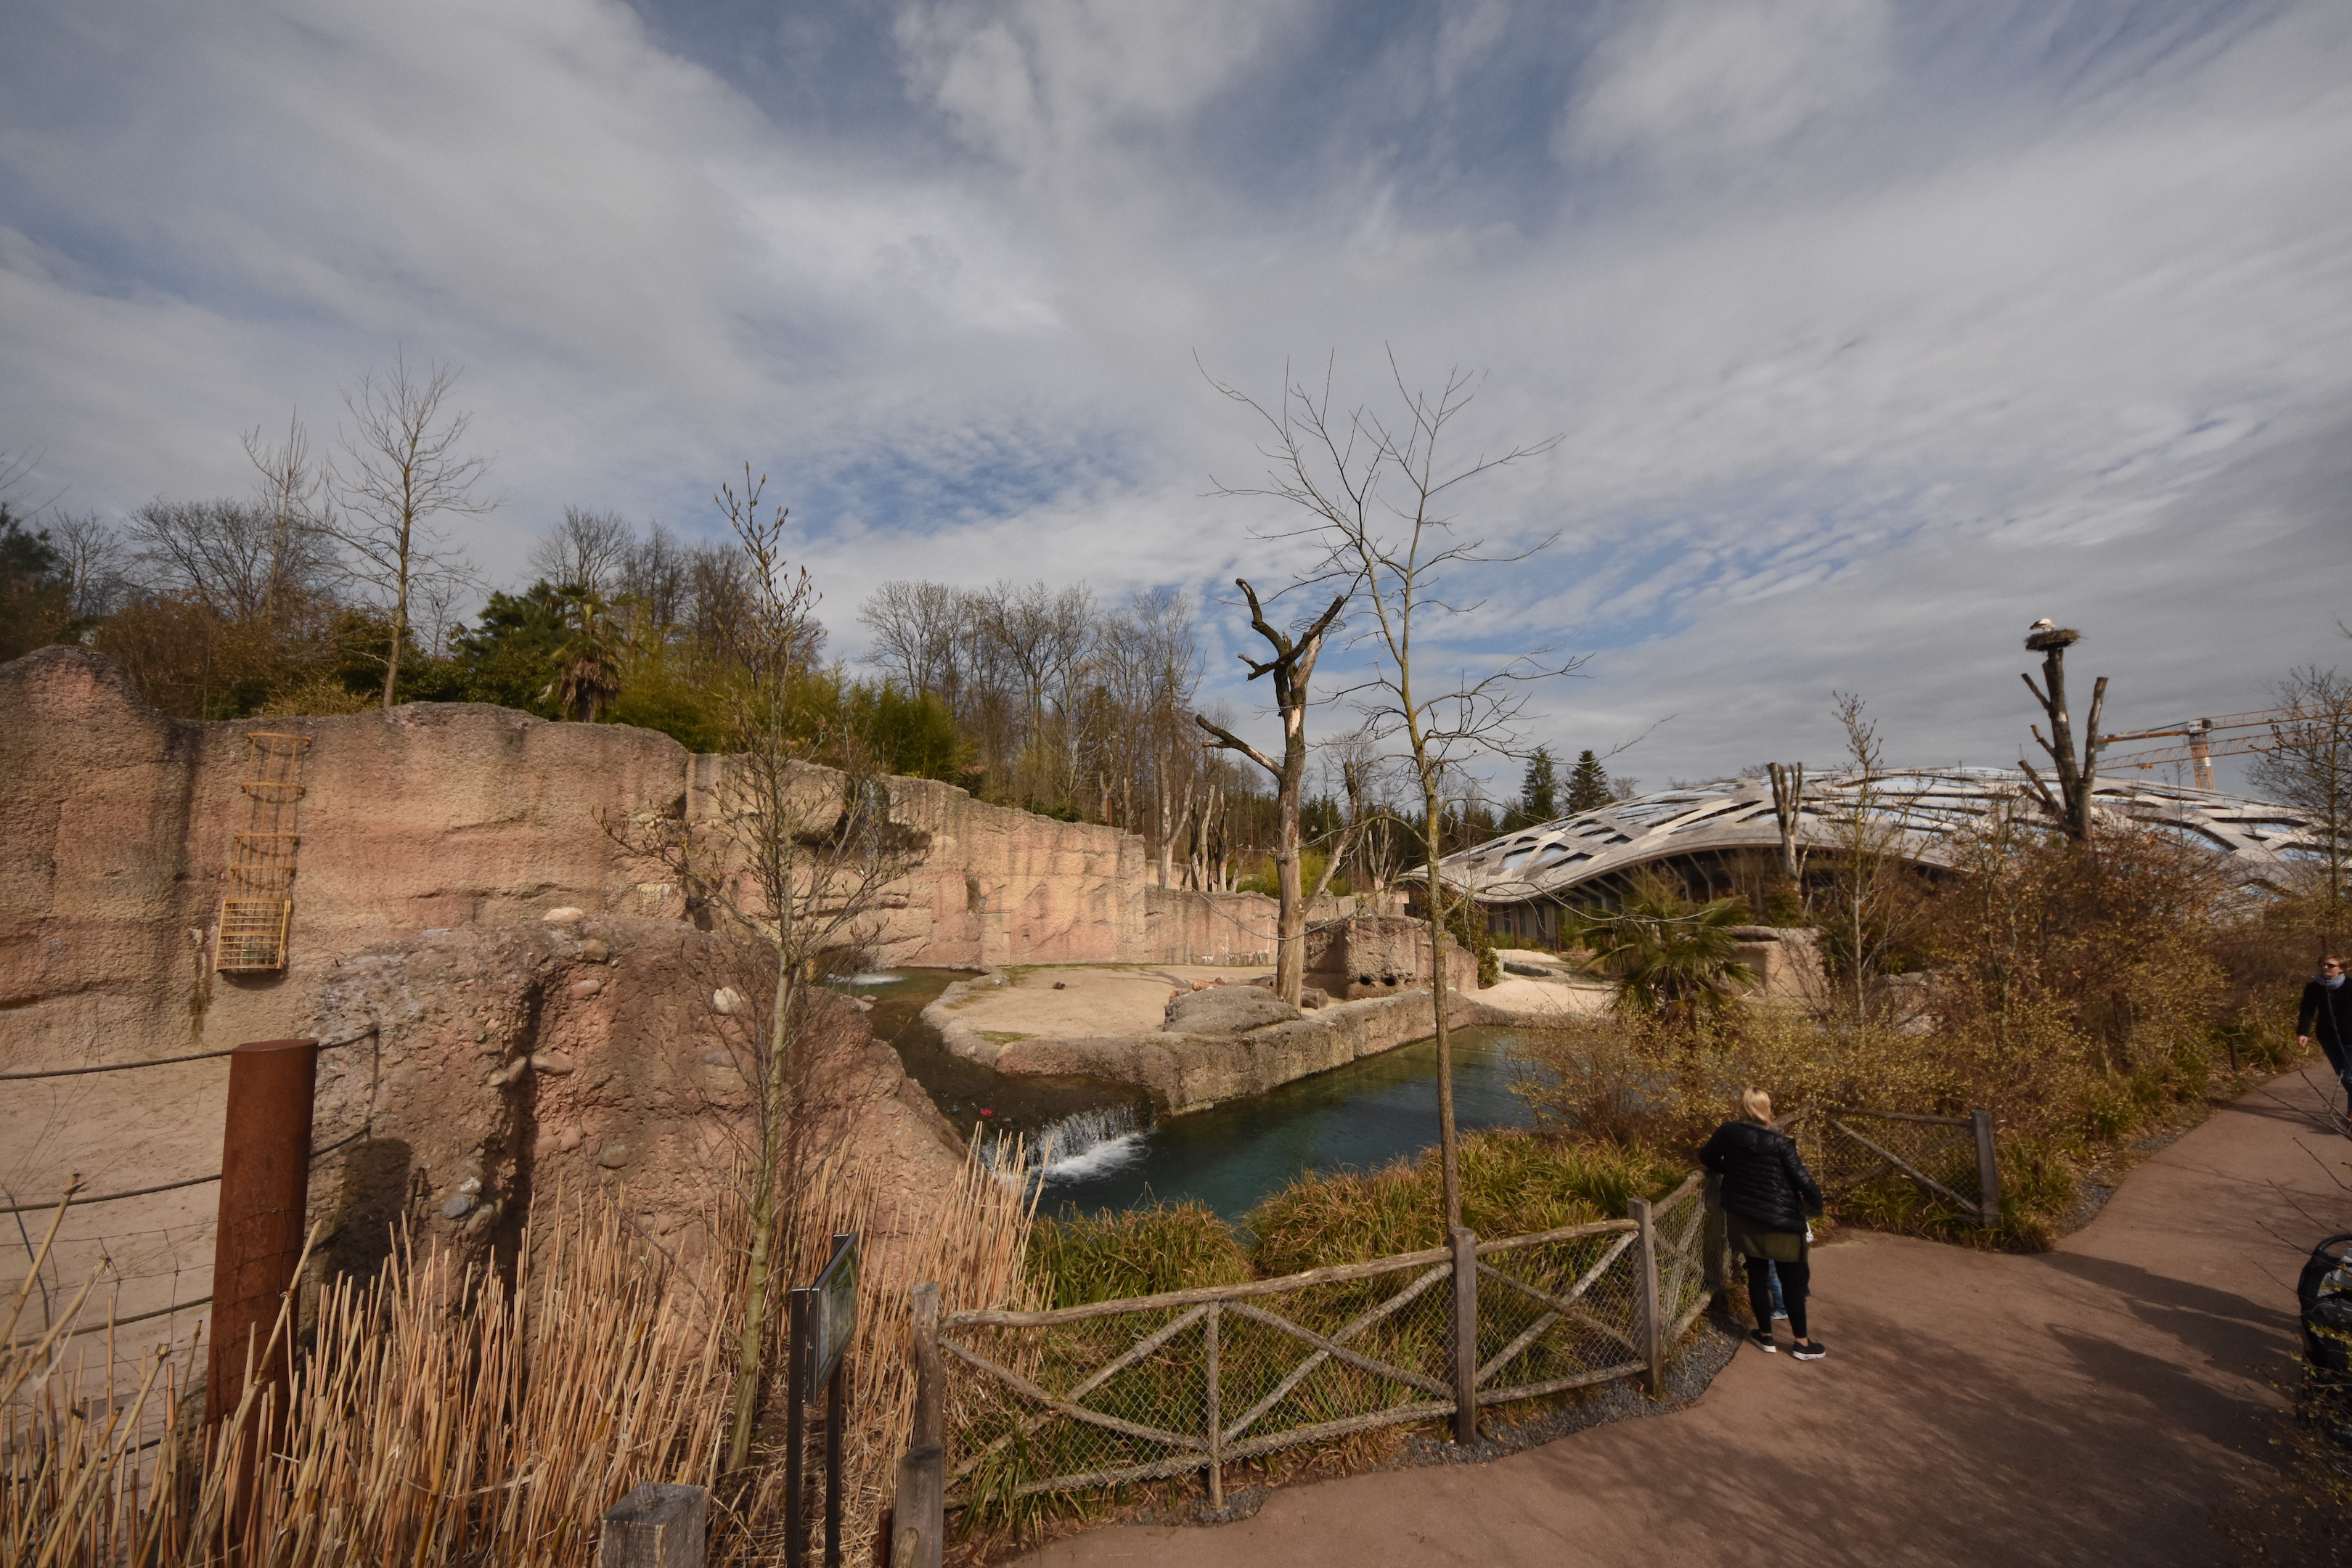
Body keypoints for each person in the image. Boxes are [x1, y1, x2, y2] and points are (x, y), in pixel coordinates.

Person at [1700, 1087, 1827, 1360]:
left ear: (1743, 1107)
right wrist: (1818, 1204)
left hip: (1745, 1217)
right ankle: (1801, 1343)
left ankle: (1766, 1337)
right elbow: (1802, 1180)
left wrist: (1732, 1172)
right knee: (1792, 1281)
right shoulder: (1780, 1142)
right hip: (1781, 1221)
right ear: (1765, 1108)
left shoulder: (1728, 1133)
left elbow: (1707, 1158)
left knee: (1757, 1274)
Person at [2298, 955, 2351, 1119]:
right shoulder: (2314, 987)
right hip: (2327, 1037)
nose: (2325, 968)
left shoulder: (2351, 986)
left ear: (2341, 968)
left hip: (2351, 1038)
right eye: (2323, 965)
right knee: (2342, 1074)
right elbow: (2307, 1010)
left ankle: (2351, 1115)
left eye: (2330, 965)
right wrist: (2303, 1032)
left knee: (2350, 1076)